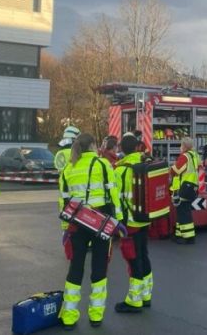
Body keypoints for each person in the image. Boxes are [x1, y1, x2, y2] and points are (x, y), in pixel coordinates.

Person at [59, 133, 123, 330]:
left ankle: (69, 316)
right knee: (99, 267)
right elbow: (113, 194)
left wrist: (65, 229)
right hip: (100, 222)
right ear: (94, 146)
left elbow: (64, 201)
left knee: (75, 267)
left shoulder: (68, 168)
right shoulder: (102, 164)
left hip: (77, 223)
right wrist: (118, 221)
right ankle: (96, 315)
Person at [114, 135, 154, 313]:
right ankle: (146, 295)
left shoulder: (120, 170)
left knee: (133, 259)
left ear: (122, 149)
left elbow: (116, 199)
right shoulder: (145, 164)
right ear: (137, 147)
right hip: (145, 218)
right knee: (143, 254)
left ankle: (134, 300)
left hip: (129, 222)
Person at [169, 137, 200, 244]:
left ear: (185, 146)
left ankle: (189, 237)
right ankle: (179, 234)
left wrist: (171, 167)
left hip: (183, 187)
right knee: (182, 211)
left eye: (181, 145)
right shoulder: (195, 155)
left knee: (183, 212)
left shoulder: (184, 157)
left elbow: (176, 170)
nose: (180, 147)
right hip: (192, 187)